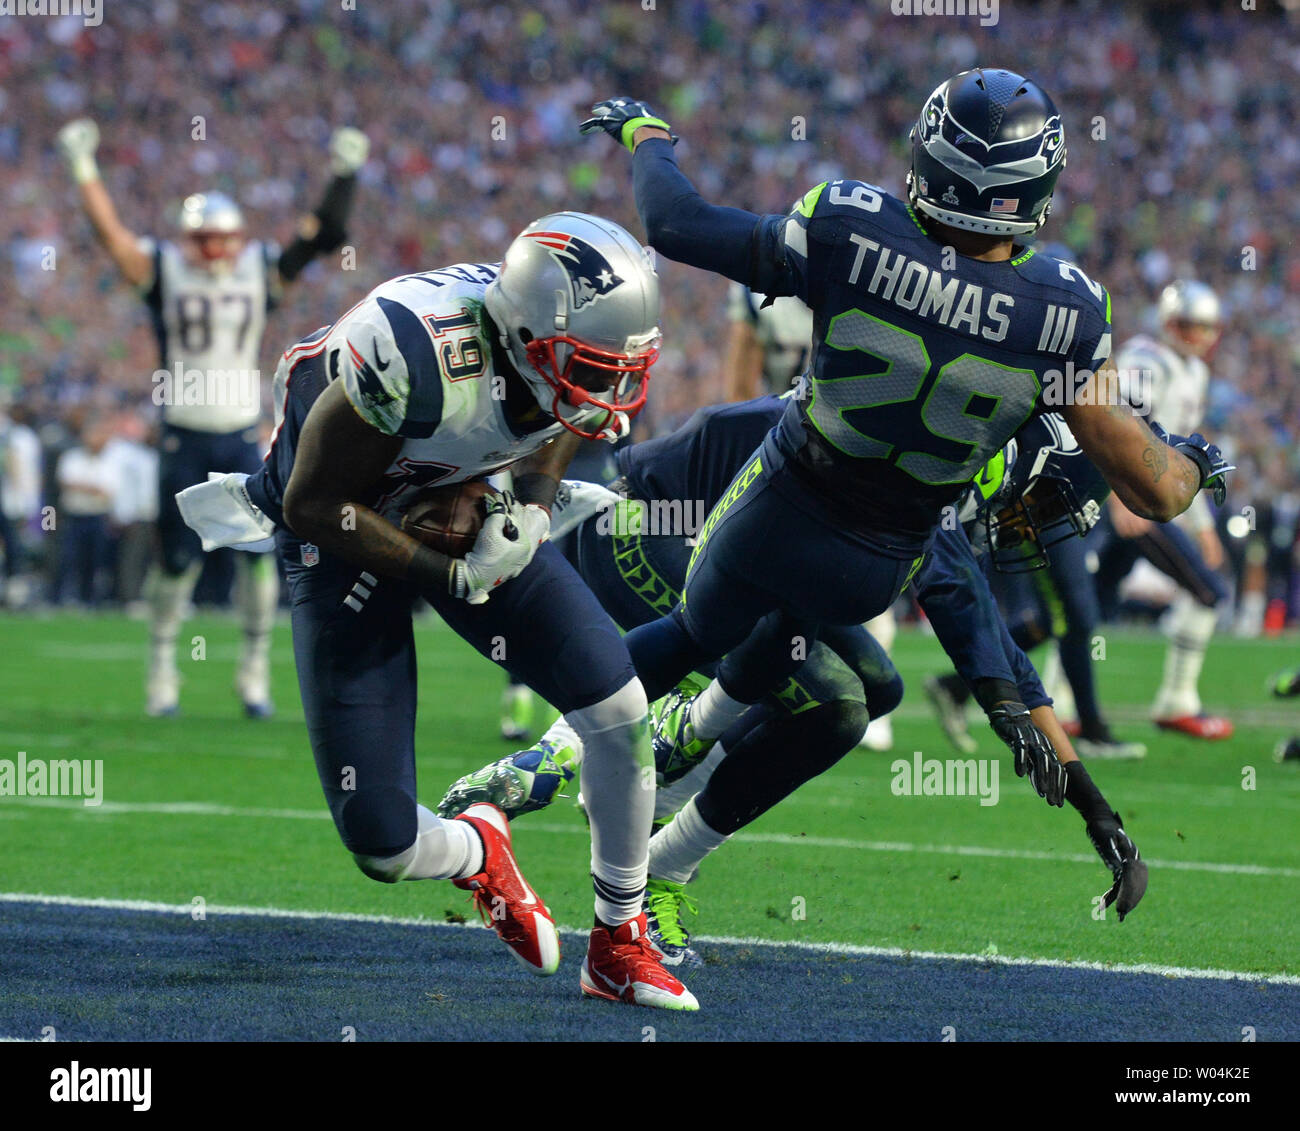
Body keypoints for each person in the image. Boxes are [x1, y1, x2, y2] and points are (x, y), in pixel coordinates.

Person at [577, 73, 1230, 813]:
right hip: (880, 563)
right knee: (854, 691)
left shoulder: (849, 226)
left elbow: (675, 222)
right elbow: (1158, 489)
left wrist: (649, 137)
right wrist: (1196, 460)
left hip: (777, 502)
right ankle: (665, 815)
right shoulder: (1066, 313)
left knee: (699, 637)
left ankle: (567, 767)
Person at [179, 211, 699, 1011]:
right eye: (590, 366)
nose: (607, 390)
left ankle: (618, 941)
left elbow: (572, 415)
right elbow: (312, 502)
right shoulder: (415, 352)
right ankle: (475, 845)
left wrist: (529, 507)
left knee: (620, 705)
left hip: (467, 499)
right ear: (527, 331)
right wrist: (451, 577)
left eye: (615, 368)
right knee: (383, 844)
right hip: (340, 527)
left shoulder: (553, 355)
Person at [439, 401, 1148, 965]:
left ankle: (658, 846)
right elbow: (982, 644)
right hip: (651, 521)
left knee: (870, 692)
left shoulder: (949, 446)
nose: (1029, 525)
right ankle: (563, 763)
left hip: (726, 545)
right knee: (826, 691)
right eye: (1042, 504)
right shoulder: (929, 458)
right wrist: (1086, 800)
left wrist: (1097, 808)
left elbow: (997, 653)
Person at [56, 117, 370, 717]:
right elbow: (113, 237)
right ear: (187, 239)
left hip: (237, 433)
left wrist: (344, 174)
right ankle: (163, 670)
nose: (214, 250)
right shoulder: (165, 271)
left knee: (258, 556)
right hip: (183, 432)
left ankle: (252, 673)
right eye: (203, 238)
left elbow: (324, 233)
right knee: (176, 559)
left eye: (221, 238)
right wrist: (83, 169)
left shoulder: (258, 269)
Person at [1097, 281, 1233, 738]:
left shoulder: (1193, 371)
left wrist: (1203, 526)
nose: (1203, 336)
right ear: (1172, 324)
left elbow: (1184, 458)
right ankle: (1177, 701)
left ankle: (1064, 705)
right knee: (1207, 591)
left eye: (1209, 327)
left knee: (1088, 606)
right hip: (1132, 499)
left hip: (1148, 497)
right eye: (1195, 326)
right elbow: (1116, 430)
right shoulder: (1146, 361)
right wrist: (1119, 494)